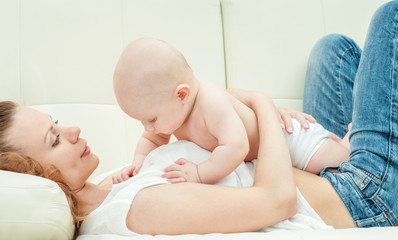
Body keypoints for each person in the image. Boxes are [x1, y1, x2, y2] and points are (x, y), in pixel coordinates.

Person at [0, 0, 397, 234]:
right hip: (360, 201)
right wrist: (261, 103)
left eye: (56, 122)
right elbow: (277, 202)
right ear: (33, 173)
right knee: (390, 17)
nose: (72, 130)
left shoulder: (109, 185)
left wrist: (266, 116)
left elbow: (201, 101)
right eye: (54, 139)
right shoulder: (139, 208)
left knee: (334, 50)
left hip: (317, 166)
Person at [113, 38, 350, 184]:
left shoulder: (210, 102)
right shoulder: (173, 115)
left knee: (335, 161)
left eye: (151, 119)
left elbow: (237, 146)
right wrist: (138, 163)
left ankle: (350, 139)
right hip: (272, 155)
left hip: (290, 139)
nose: (148, 128)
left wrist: (200, 173)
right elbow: (151, 141)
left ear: (181, 95)